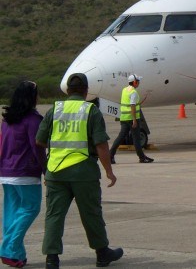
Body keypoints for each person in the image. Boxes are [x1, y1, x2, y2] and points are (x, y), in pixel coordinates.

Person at [36, 73, 123, 269]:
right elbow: (101, 144)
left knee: (54, 215)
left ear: (67, 91)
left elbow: (39, 140)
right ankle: (102, 253)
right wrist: (109, 170)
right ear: (86, 91)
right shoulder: (90, 110)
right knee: (91, 213)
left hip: (56, 172)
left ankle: (51, 259)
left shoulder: (54, 110)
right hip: (83, 172)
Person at [0, 81, 46, 268]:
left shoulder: (8, 120)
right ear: (32, 97)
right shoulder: (33, 120)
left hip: (6, 171)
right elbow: (38, 147)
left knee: (12, 211)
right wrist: (45, 169)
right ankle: (9, 249)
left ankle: (15, 253)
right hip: (25, 173)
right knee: (30, 209)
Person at [110, 74, 154, 164]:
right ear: (134, 82)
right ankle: (142, 158)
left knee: (120, 138)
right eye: (138, 81)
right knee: (136, 139)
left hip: (124, 118)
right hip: (132, 119)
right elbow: (132, 106)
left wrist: (141, 101)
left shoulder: (125, 90)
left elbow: (130, 103)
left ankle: (110, 155)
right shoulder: (133, 92)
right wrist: (134, 120)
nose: (139, 83)